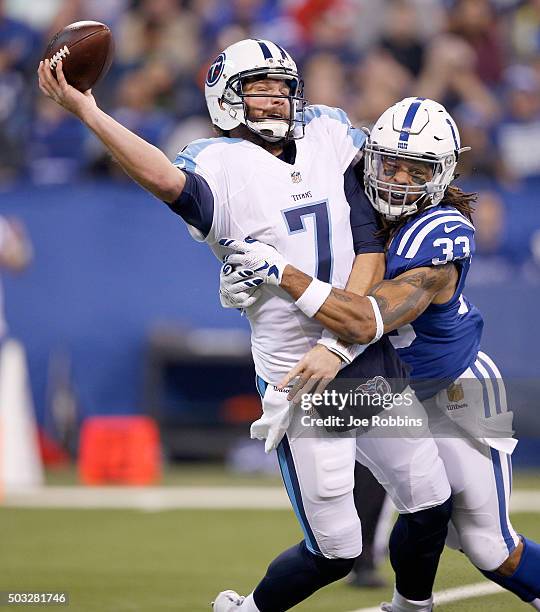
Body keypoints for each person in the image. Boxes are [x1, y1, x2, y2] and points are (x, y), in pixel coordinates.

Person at [37, 42, 453, 612]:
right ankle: (246, 610)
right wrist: (87, 109)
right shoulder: (217, 162)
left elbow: (370, 243)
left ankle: (411, 607)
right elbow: (162, 177)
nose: (277, 96)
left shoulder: (330, 131)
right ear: (225, 95)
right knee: (336, 548)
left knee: (430, 501)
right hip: (298, 374)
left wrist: (344, 336)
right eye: (261, 86)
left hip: (362, 349)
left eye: (282, 84)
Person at [220, 96, 540, 610]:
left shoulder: (441, 232)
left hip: (449, 389)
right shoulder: (341, 196)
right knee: (370, 522)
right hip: (381, 389)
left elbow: (368, 316)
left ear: (442, 173)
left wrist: (281, 275)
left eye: (417, 172)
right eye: (390, 163)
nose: (399, 180)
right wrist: (248, 283)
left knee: (486, 544)